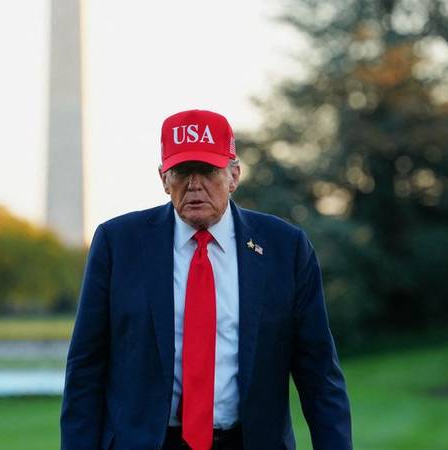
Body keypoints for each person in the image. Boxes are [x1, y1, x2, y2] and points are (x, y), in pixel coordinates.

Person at [60, 109, 352, 450]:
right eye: (182, 172)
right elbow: (86, 368)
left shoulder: (285, 248)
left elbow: (319, 373)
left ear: (234, 176)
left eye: (208, 171)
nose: (195, 185)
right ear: (163, 178)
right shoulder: (118, 243)